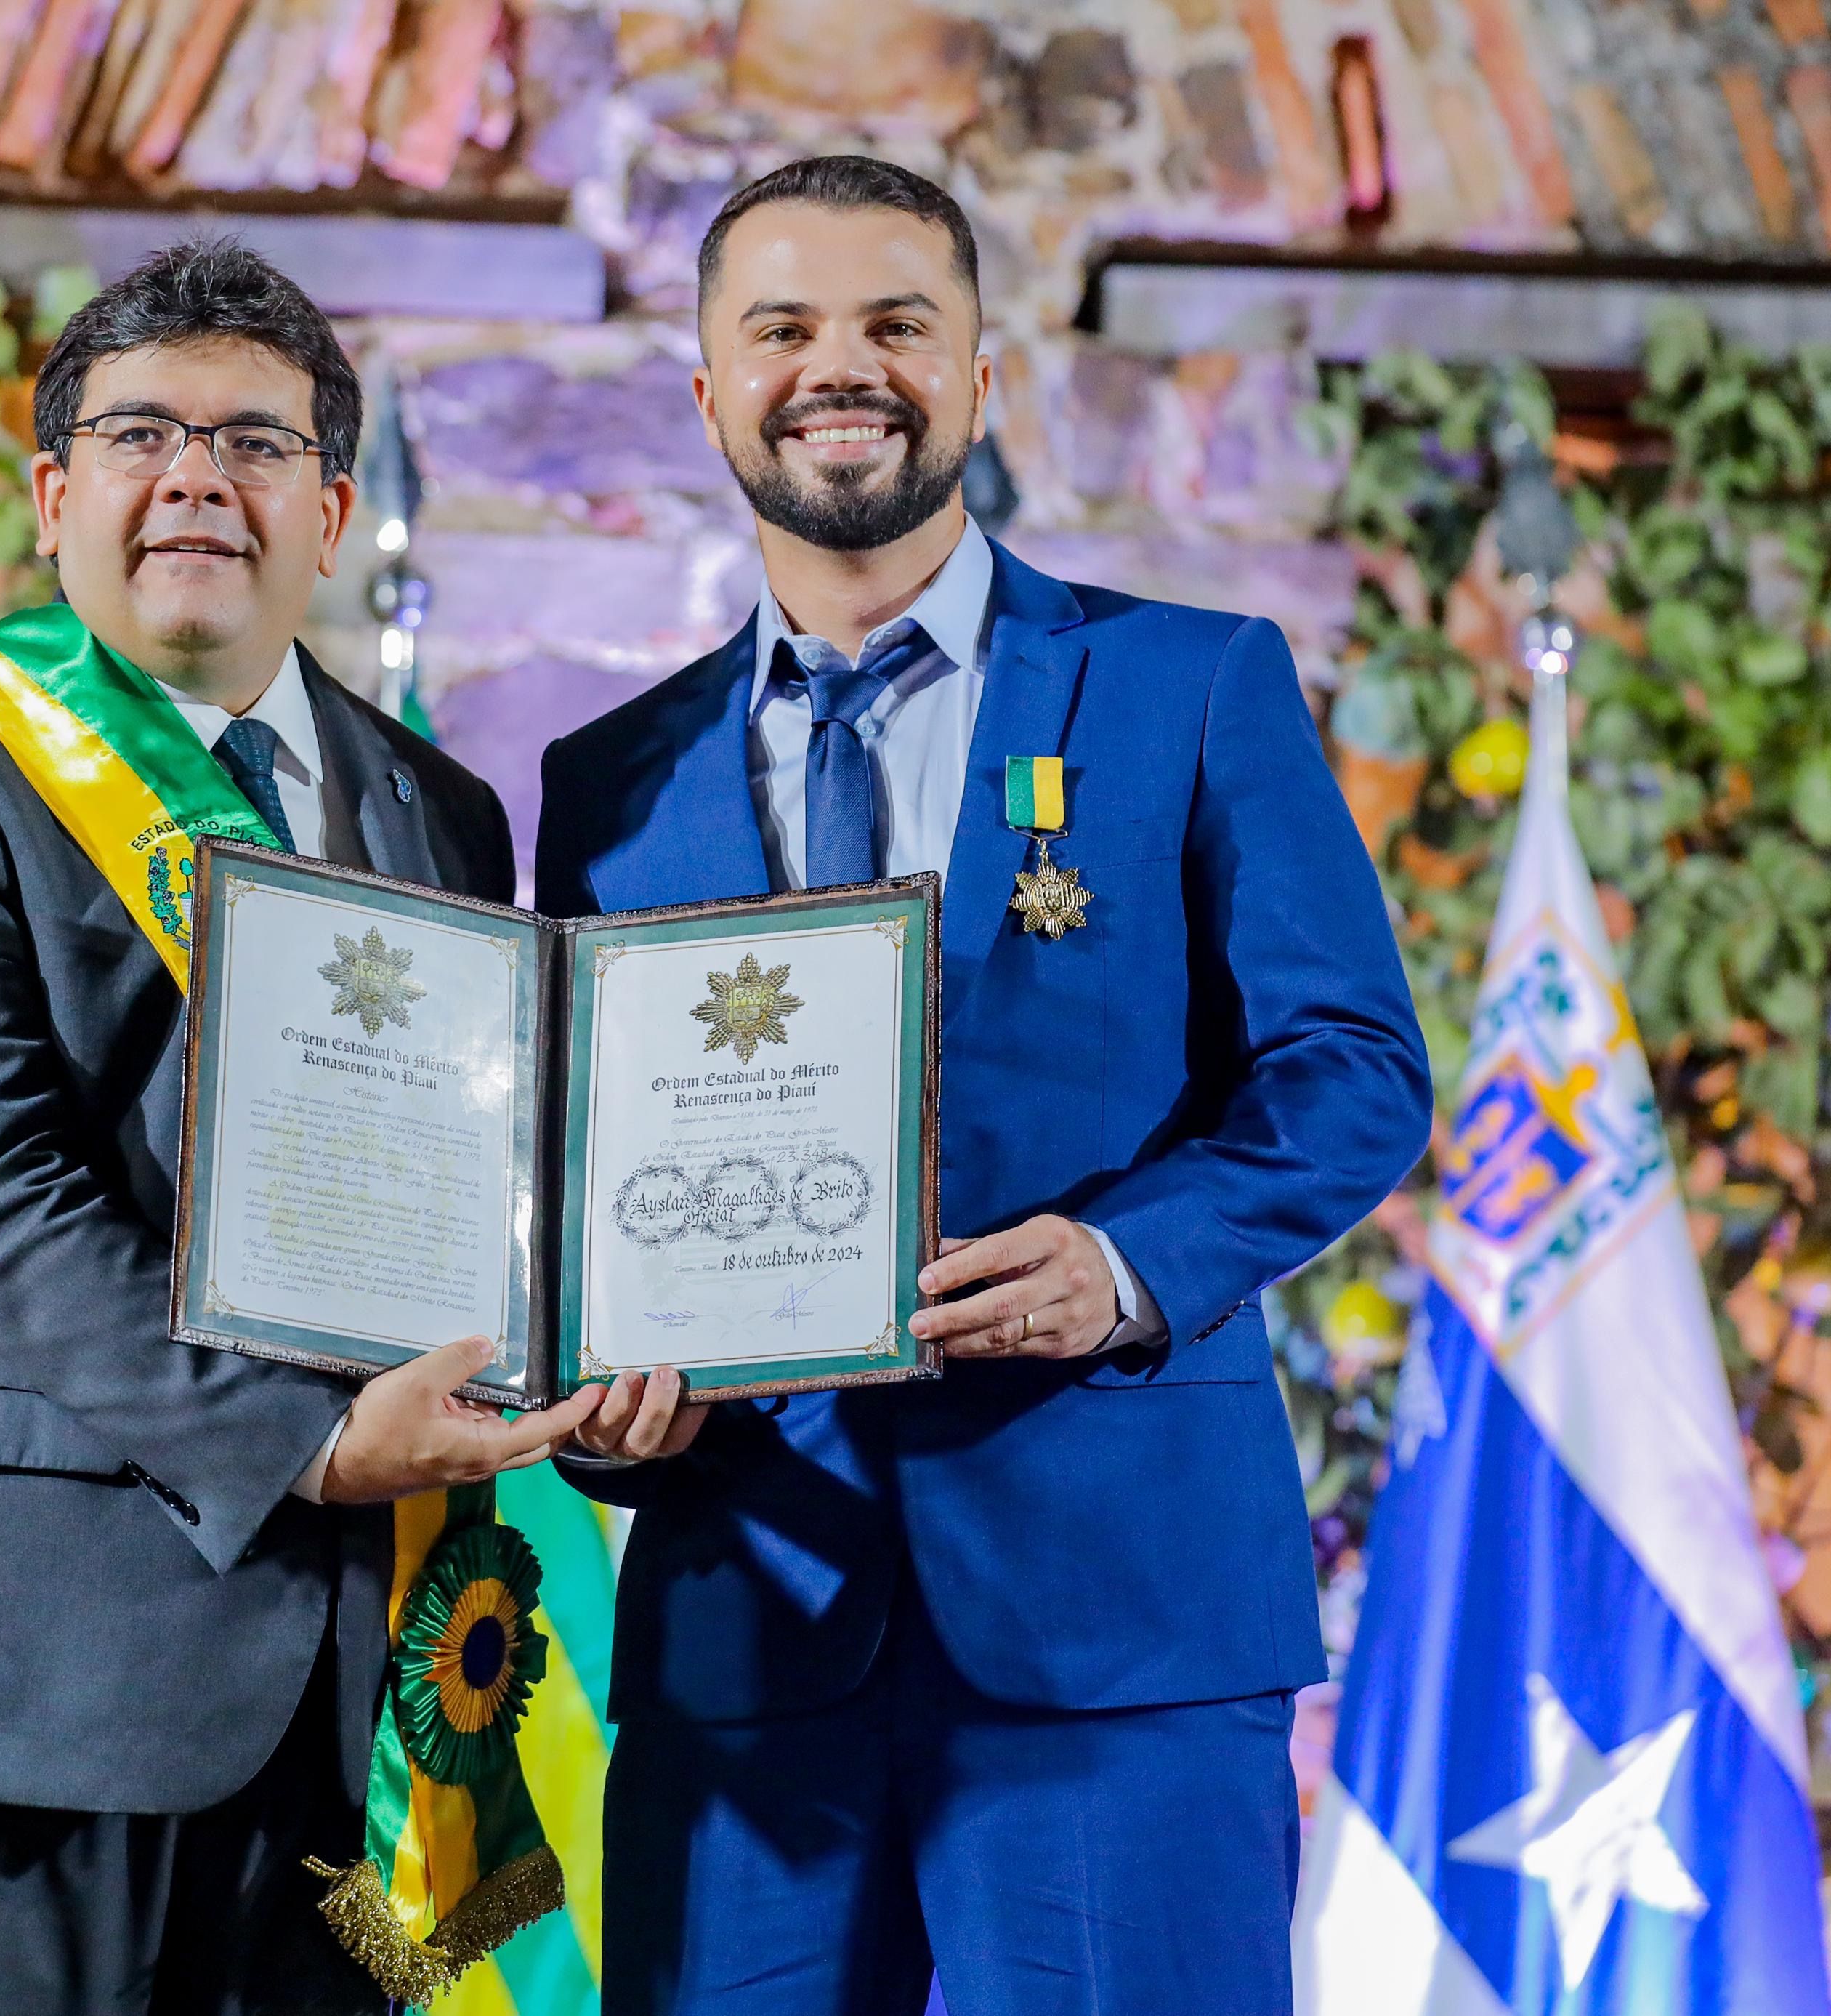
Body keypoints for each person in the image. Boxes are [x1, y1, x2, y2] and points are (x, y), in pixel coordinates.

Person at [540, 156, 1434, 2016]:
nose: (837, 367)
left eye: (896, 323)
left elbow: (1352, 1071)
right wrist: (598, 1396)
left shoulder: (1189, 686)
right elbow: (588, 1173)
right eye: (779, 328)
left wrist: (1120, 1269)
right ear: (706, 390)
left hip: (1121, 1625)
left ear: (980, 373)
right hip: (745, 1625)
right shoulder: (603, 779)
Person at [0, 238, 600, 2016]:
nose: (199, 474)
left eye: (258, 444)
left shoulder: (436, 801)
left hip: (363, 1735)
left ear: (331, 510)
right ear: (56, 497)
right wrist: (317, 1442)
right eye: (141, 434)